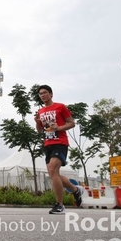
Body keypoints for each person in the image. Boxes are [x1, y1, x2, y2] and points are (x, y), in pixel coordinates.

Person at [34, 85, 84, 214]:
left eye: (45, 93)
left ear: (51, 94)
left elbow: (72, 123)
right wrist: (37, 122)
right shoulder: (40, 111)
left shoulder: (60, 106)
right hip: (47, 144)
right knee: (53, 174)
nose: (42, 95)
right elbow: (40, 130)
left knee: (52, 170)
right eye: (40, 94)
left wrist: (59, 128)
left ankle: (59, 205)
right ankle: (75, 190)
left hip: (60, 142)